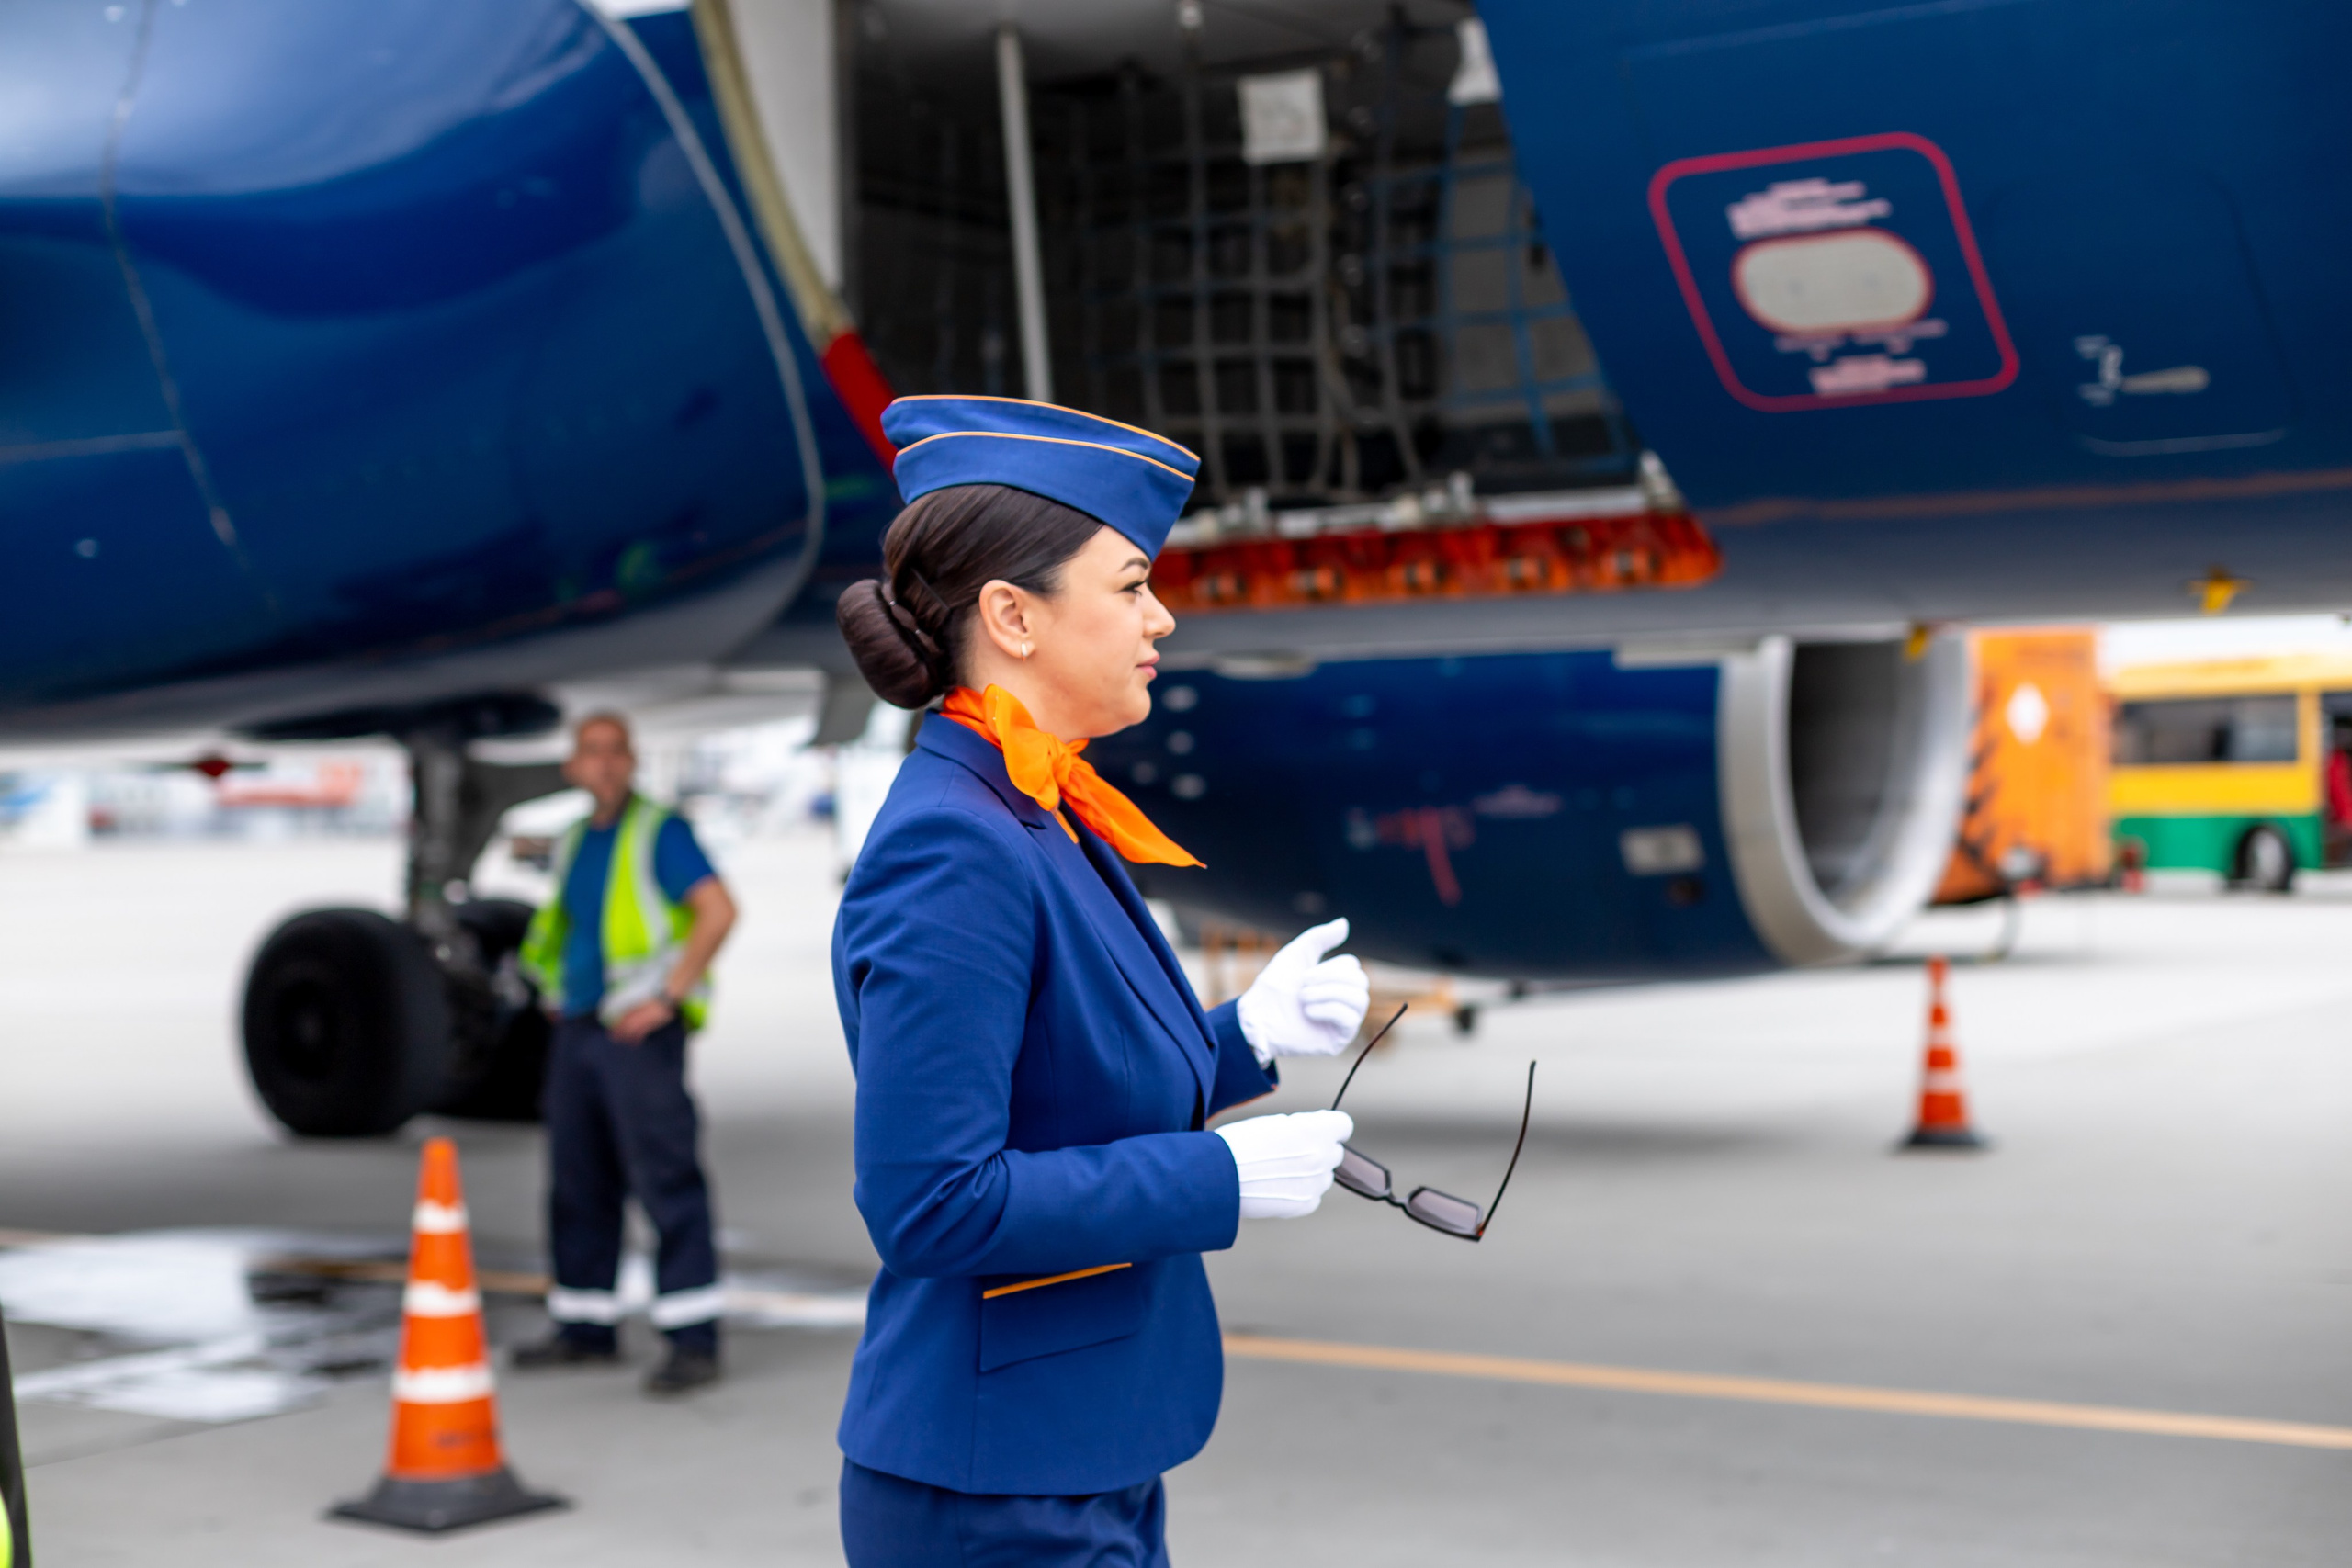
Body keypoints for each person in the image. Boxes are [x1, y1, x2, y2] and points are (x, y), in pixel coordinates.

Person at [830, 396, 1373, 1565]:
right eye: (1130, 585)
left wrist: (1247, 1036)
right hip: (995, 1489)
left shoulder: (1032, 811)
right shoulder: (956, 846)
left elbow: (1064, 1078)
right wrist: (1211, 1173)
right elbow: (932, 1202)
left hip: (1076, 1455)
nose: (1160, 616)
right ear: (1013, 616)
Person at [512, 712, 740, 1396]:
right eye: (592, 752)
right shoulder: (579, 835)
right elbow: (571, 928)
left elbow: (718, 909)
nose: (605, 764)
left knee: (666, 1178)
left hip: (636, 1035)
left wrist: (668, 997)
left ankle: (692, 1337)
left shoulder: (658, 830)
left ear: (632, 761)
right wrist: (555, 989)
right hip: (580, 1029)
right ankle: (585, 1326)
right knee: (578, 1182)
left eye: (616, 751)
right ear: (571, 767)